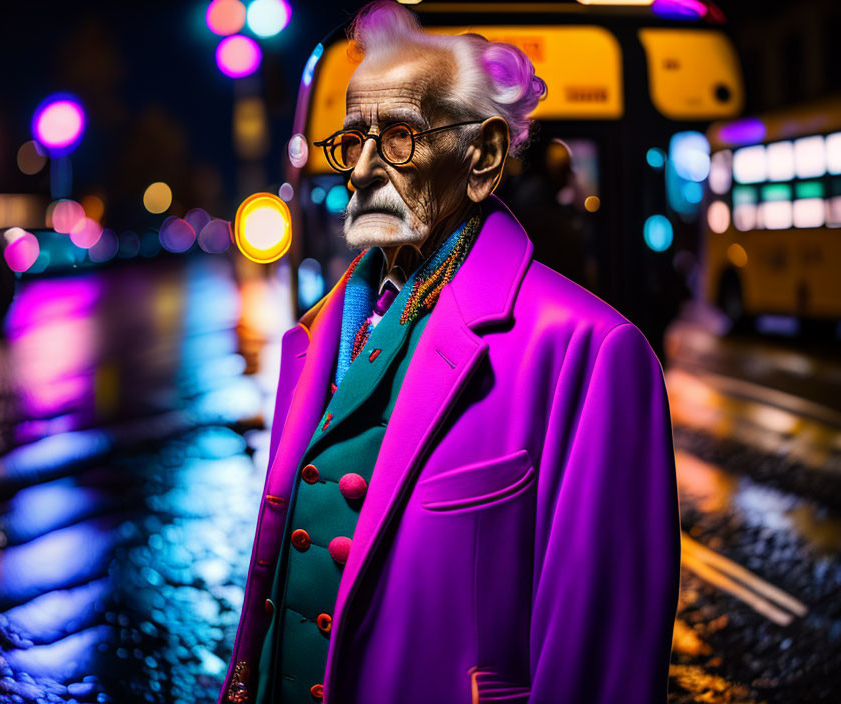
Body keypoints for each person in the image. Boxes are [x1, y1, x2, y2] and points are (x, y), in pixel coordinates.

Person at [217, 2, 680, 702]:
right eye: (352, 142)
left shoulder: (591, 349)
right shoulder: (318, 334)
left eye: (399, 136)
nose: (362, 170)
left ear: (484, 157)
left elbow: (597, 662)